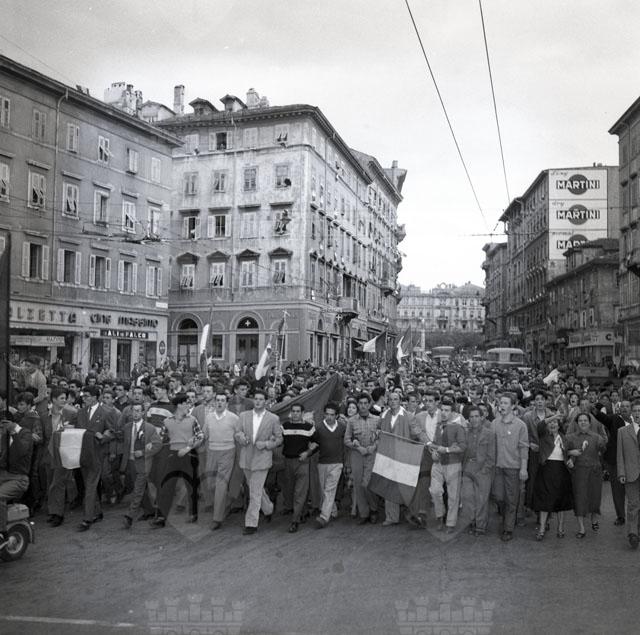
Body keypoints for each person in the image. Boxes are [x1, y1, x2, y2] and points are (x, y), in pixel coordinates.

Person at [150, 394, 204, 528]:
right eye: (186, 403)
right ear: (179, 405)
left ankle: (193, 513)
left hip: (189, 454)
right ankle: (161, 517)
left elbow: (200, 436)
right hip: (172, 455)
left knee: (191, 485)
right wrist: (152, 444)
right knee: (166, 486)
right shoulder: (167, 421)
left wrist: (188, 448)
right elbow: (161, 439)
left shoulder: (192, 420)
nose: (188, 406)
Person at [234, 389, 283, 535]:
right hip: (246, 458)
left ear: (266, 401)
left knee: (254, 491)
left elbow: (279, 439)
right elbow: (237, 432)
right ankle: (268, 508)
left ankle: (251, 523)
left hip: (262, 458)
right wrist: (241, 437)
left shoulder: (273, 418)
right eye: (256, 399)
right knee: (256, 488)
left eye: (261, 399)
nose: (258, 401)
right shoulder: (244, 416)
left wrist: (267, 444)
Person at [196, 390, 239, 531]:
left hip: (228, 452)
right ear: (214, 402)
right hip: (212, 452)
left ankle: (217, 518)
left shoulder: (234, 418)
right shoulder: (209, 417)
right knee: (211, 484)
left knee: (221, 484)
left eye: (222, 400)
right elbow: (204, 434)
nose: (219, 403)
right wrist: (195, 440)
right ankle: (229, 499)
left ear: (226, 403)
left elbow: (239, 434)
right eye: (218, 400)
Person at [75, 385, 116, 532]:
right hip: (83, 454)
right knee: (89, 485)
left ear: (95, 397)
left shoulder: (106, 412)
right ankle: (97, 512)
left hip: (98, 454)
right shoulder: (81, 412)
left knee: (91, 486)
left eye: (87, 396)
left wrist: (103, 436)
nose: (84, 399)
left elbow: (112, 432)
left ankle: (87, 518)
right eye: (83, 396)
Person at [492, 393, 529, 542]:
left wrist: (523, 469)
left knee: (511, 499)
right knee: (498, 497)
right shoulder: (494, 423)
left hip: (513, 468)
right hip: (497, 467)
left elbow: (524, 448)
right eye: (501, 403)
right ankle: (506, 518)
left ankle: (508, 528)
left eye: (505, 403)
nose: (502, 405)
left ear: (513, 406)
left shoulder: (520, 425)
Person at [120, 404, 162, 529]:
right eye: (133, 411)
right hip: (131, 462)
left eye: (138, 411)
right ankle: (150, 511)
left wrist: (143, 452)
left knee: (138, 489)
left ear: (143, 412)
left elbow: (158, 445)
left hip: (144, 463)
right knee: (140, 488)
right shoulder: (127, 427)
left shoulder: (149, 428)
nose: (135, 413)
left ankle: (129, 516)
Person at [428, 397, 467, 533]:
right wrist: (433, 452)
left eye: (447, 410)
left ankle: (450, 523)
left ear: (453, 412)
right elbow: (435, 443)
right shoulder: (438, 425)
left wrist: (447, 450)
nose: (444, 413)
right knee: (435, 491)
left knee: (453, 496)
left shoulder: (458, 427)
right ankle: (440, 515)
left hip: (453, 464)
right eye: (442, 410)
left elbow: (462, 447)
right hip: (438, 463)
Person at [566, 412, 607, 538]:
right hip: (579, 473)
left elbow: (603, 450)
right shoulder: (570, 437)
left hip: (595, 472)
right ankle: (582, 528)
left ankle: (594, 519)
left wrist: (602, 446)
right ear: (577, 423)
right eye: (580, 420)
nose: (583, 422)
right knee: (580, 498)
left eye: (585, 420)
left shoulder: (596, 437)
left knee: (594, 497)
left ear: (589, 423)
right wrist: (570, 454)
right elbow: (563, 451)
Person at [532, 417, 573, 540]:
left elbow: (570, 452)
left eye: (555, 422)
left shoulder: (565, 438)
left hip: (561, 471)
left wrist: (572, 459)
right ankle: (542, 529)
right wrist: (555, 416)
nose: (552, 424)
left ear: (559, 426)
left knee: (561, 500)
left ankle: (560, 528)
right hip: (546, 470)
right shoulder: (543, 436)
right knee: (544, 500)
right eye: (550, 422)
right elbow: (540, 425)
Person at [593, 400, 632, 526]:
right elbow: (602, 417)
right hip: (615, 460)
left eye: (627, 406)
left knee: (634, 490)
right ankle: (620, 516)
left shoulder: (636, 420)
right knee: (617, 490)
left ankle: (635, 516)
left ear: (631, 409)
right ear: (619, 409)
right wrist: (594, 407)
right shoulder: (614, 419)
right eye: (622, 406)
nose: (624, 408)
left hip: (633, 461)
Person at [344, 393, 380, 525]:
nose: (363, 406)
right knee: (358, 484)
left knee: (368, 484)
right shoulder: (351, 421)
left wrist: (373, 447)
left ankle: (374, 509)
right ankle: (364, 513)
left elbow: (381, 438)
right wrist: (358, 447)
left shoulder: (377, 419)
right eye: (361, 403)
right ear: (358, 404)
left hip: (372, 454)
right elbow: (346, 439)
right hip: (357, 454)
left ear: (370, 404)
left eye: (366, 403)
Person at [280, 403, 317, 533]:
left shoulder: (309, 427)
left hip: (302, 463)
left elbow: (316, 443)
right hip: (287, 462)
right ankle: (303, 511)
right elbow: (278, 440)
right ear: (291, 413)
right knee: (290, 490)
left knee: (299, 492)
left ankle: (295, 521)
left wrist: (308, 452)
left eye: (298, 411)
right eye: (293, 411)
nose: (295, 414)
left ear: (302, 413)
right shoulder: (284, 427)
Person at [460, 406, 495, 536]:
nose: (474, 419)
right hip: (468, 467)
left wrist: (485, 470)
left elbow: (492, 455)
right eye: (471, 417)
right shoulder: (465, 433)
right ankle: (472, 521)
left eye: (476, 416)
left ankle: (480, 526)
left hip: (483, 468)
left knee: (481, 499)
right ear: (468, 419)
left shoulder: (489, 433)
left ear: (482, 417)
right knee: (467, 496)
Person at [312, 402, 346, 529]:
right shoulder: (318, 427)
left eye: (332, 415)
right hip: (322, 463)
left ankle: (324, 517)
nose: (329, 417)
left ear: (336, 416)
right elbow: (313, 443)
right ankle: (333, 511)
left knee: (329, 489)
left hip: (337, 463)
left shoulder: (342, 427)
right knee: (324, 490)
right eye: (327, 414)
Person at [0, 418, 33, 539]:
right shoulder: (4, 436)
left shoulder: (25, 433)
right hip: (5, 475)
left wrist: (14, 432)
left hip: (19, 478)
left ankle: (2, 532)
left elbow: (21, 451)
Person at [617, 401, 640, 549]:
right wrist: (621, 473)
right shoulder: (622, 431)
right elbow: (620, 454)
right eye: (635, 411)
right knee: (633, 504)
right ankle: (633, 533)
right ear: (631, 413)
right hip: (631, 473)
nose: (638, 413)